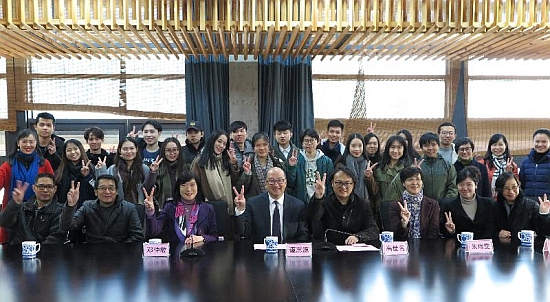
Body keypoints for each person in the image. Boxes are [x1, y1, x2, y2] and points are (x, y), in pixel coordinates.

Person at [0, 129, 54, 243]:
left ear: (36, 143)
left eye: (31, 141)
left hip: (39, 213)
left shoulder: (44, 164)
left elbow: (51, 187)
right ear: (18, 143)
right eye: (24, 141)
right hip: (12, 213)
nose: (28, 145)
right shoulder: (7, 165)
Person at [59, 175, 144, 243]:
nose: (107, 192)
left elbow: (137, 237)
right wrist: (71, 206)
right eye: (102, 188)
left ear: (117, 191)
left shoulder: (129, 208)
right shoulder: (87, 206)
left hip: (120, 253)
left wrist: (121, 250)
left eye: (111, 188)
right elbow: (67, 227)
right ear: (95, 192)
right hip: (92, 253)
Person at [234, 167, 309, 244]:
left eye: (280, 180)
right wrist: (240, 210)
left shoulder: (298, 206)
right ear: (266, 184)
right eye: (271, 181)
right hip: (260, 253)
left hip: (288, 253)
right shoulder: (253, 204)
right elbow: (244, 233)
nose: (276, 185)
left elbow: (303, 235)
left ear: (285, 183)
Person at [309, 166, 379, 245]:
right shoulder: (324, 203)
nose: (343, 187)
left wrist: (357, 237)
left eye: (348, 183)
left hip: (356, 250)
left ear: (353, 185)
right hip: (330, 249)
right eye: (339, 182)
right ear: (332, 183)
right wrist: (318, 198)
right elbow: (314, 219)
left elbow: (373, 229)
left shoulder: (362, 204)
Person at [145, 171, 218, 243]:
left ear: (198, 187)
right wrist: (151, 213)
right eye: (184, 185)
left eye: (192, 185)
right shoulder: (169, 208)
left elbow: (214, 237)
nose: (189, 189)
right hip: (175, 252)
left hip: (201, 252)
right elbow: (154, 232)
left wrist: (202, 238)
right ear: (178, 188)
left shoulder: (208, 209)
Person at [385, 132, 458, 202]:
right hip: (422, 207)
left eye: (433, 145)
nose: (430, 148)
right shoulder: (415, 166)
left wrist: (445, 203)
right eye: (426, 145)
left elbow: (452, 187)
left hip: (443, 207)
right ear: (421, 147)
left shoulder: (447, 165)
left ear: (438, 146)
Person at [0, 173, 66, 244]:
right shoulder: (22, 207)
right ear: (34, 188)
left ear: (55, 189)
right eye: (41, 186)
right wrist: (14, 204)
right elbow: (4, 223)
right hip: (18, 250)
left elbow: (55, 239)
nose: (45, 190)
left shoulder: (60, 211)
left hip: (46, 253)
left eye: (49, 187)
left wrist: (35, 252)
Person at [54, 139, 97, 243]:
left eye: (75, 149)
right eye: (69, 150)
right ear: (65, 153)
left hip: (87, 214)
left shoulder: (91, 168)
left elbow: (96, 191)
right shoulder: (60, 171)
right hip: (66, 213)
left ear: (81, 150)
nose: (73, 152)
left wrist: (86, 176)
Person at [191, 129, 240, 215]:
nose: (221, 146)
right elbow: (194, 187)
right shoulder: (199, 161)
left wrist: (234, 164)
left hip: (229, 209)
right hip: (209, 209)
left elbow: (235, 182)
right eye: (219, 141)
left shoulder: (226, 160)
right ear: (212, 141)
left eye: (224, 144)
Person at [440, 166, 496, 239]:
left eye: (469, 184)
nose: (465, 188)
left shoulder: (489, 203)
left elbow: (492, 228)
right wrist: (452, 231)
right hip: (459, 247)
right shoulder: (448, 205)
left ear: (476, 185)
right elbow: (444, 233)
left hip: (483, 246)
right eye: (461, 184)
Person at [96, 137, 152, 205]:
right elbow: (103, 186)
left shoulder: (144, 168)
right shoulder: (113, 169)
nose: (129, 152)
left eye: (132, 148)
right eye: (125, 149)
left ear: (136, 149)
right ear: (119, 150)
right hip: (118, 208)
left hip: (140, 207)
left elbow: (149, 187)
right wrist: (101, 170)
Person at [494, 172, 550, 239]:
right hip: (500, 247)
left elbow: (544, 232)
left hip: (525, 246)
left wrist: (544, 214)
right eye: (506, 188)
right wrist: (497, 233)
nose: (511, 191)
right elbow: (486, 228)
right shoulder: (494, 206)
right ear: (500, 189)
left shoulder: (531, 206)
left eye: (514, 187)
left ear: (519, 186)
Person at [389, 167, 440, 240]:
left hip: (426, 247)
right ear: (403, 183)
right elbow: (396, 235)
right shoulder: (395, 205)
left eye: (418, 179)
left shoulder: (433, 204)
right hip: (403, 247)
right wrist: (404, 223)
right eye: (410, 180)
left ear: (422, 182)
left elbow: (434, 232)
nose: (415, 183)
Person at [287, 128, 334, 204]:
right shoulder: (296, 159)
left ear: (318, 141)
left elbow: (330, 185)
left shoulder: (327, 161)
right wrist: (292, 167)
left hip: (321, 201)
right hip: (301, 202)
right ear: (302, 143)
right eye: (306, 141)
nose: (309, 143)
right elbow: (291, 184)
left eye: (312, 140)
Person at [144, 137, 187, 209]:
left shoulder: (186, 168)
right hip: (163, 209)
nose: (172, 153)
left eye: (175, 150)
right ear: (163, 152)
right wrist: (153, 173)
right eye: (168, 150)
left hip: (184, 207)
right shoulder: (157, 168)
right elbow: (148, 189)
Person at [239, 132, 285, 198]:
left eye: (265, 145)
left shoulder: (278, 163)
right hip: (254, 202)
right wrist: (247, 173)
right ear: (253, 147)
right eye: (258, 145)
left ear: (269, 146)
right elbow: (241, 188)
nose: (262, 148)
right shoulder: (247, 164)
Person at [333, 133, 374, 205]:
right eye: (353, 146)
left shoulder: (368, 164)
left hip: (364, 204)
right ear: (348, 146)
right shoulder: (341, 164)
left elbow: (374, 191)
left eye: (360, 146)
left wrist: (369, 177)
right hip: (344, 203)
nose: (357, 149)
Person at [370, 135, 412, 203]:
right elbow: (376, 192)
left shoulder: (409, 169)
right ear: (387, 149)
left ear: (404, 149)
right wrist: (369, 177)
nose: (395, 151)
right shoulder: (380, 169)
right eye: (392, 147)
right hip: (385, 208)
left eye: (399, 147)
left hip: (404, 209)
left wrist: (417, 174)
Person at [477, 133, 518, 197]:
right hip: (488, 200)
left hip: (506, 199)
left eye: (500, 145)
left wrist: (508, 173)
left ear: (506, 145)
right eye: (494, 145)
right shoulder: (482, 164)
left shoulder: (512, 165)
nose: (497, 147)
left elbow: (516, 186)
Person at [520, 128, 550, 200]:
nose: (540, 144)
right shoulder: (525, 162)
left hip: (547, 204)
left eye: (544, 142)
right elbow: (522, 185)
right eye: (537, 141)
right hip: (528, 204)